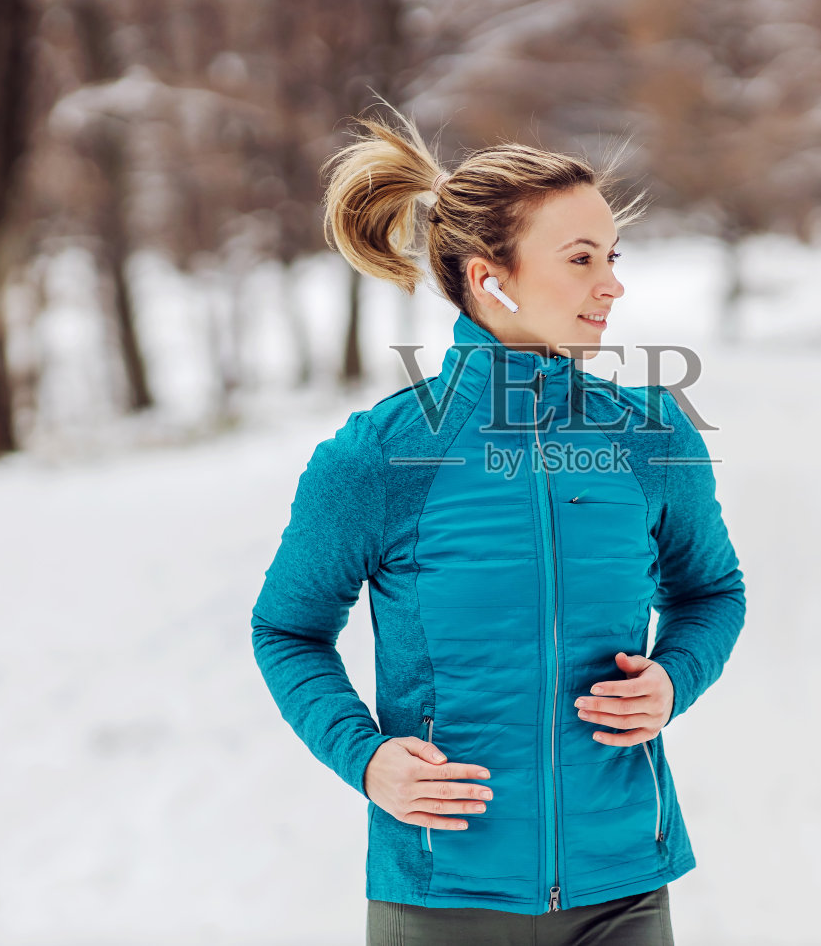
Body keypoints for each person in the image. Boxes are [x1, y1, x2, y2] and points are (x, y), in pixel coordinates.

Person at [249, 101, 746, 946]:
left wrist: (672, 679)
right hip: (445, 894)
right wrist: (366, 758)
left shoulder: (651, 437)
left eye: (612, 256)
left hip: (624, 883)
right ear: (491, 278)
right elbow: (287, 627)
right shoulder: (381, 457)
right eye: (581, 257)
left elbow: (711, 591)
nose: (612, 283)